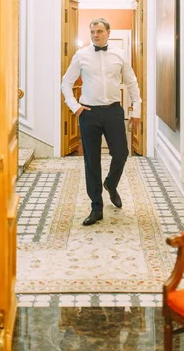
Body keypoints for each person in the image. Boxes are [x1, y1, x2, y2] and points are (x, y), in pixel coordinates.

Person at [61, 18, 141, 226]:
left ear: (108, 32)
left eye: (99, 31)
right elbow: (66, 83)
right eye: (92, 32)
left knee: (121, 153)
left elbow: (132, 83)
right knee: (91, 161)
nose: (95, 35)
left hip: (114, 111)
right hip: (89, 114)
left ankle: (111, 184)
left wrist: (137, 110)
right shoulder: (81, 56)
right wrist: (75, 107)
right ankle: (96, 207)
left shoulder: (120, 54)